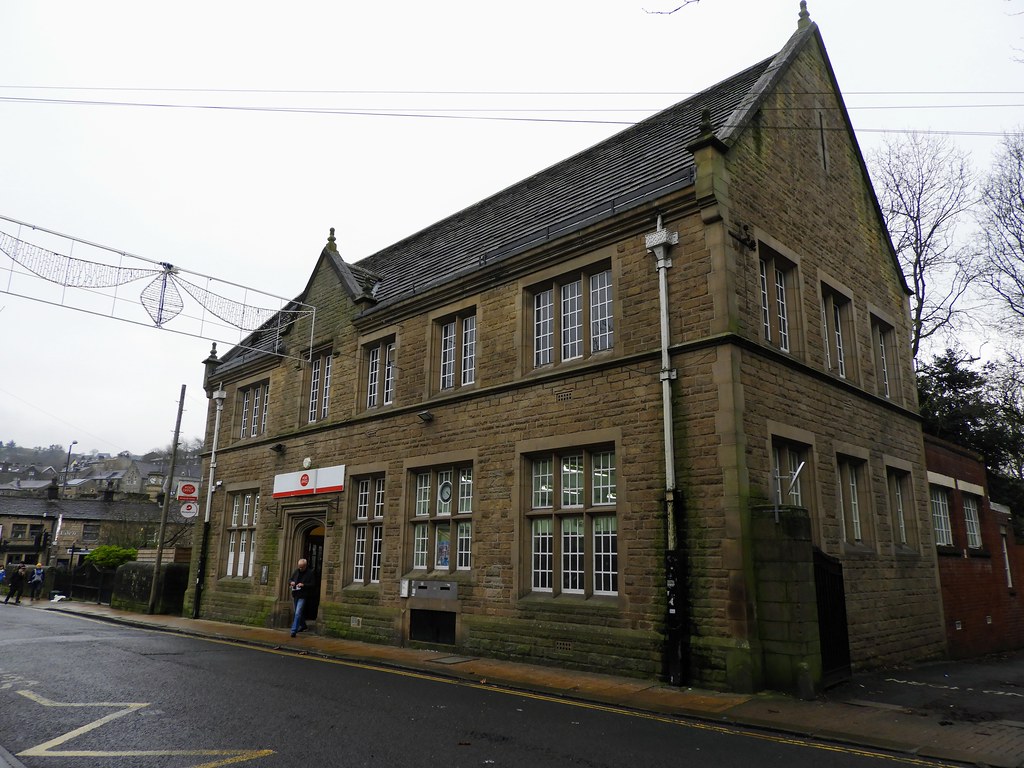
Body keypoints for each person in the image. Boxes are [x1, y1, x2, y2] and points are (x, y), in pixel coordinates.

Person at [288, 558, 317, 637]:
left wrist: (303, 585)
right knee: (297, 612)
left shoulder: (310, 573)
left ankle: (293, 631)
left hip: (303, 595)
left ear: (305, 566)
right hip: (295, 594)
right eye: (299, 567)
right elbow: (290, 579)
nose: (300, 568)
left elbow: (313, 584)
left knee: (297, 613)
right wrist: (292, 582)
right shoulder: (296, 572)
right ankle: (303, 626)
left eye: (301, 567)